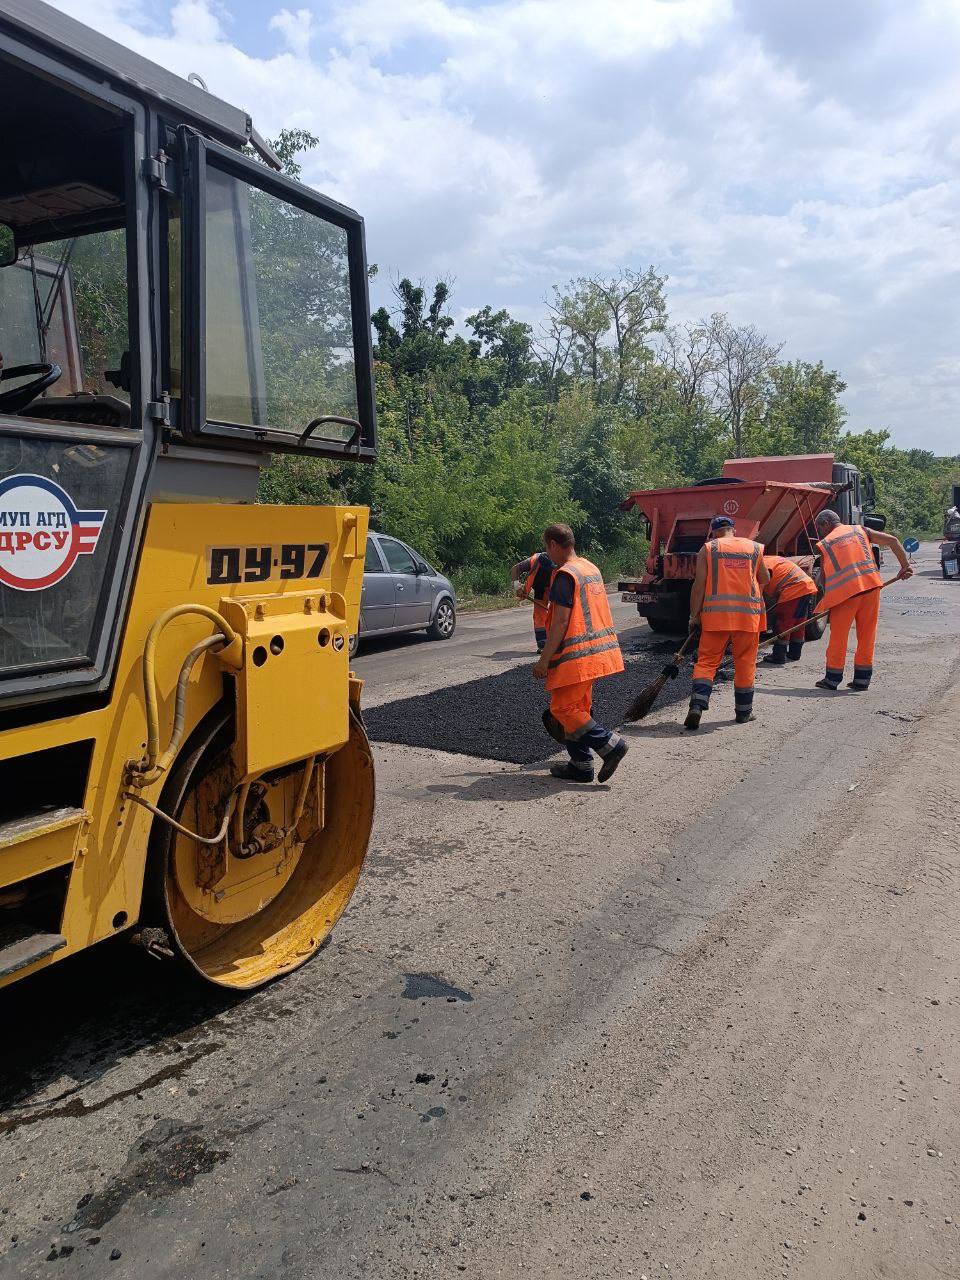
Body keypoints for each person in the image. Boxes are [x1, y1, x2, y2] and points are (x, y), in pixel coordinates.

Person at [532, 523, 628, 784]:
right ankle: (581, 765)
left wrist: (543, 660)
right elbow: (572, 611)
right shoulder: (590, 568)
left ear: (553, 544)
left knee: (563, 708)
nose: (547, 554)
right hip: (595, 654)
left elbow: (561, 622)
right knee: (578, 708)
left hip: (575, 657)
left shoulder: (565, 575)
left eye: (546, 548)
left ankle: (610, 745)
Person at [685, 515, 770, 731]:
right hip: (747, 618)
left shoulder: (709, 549)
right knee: (745, 663)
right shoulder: (754, 548)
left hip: (715, 617)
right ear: (733, 528)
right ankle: (743, 713)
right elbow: (765, 578)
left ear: (714, 532)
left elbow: (699, 585)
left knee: (706, 662)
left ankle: (697, 705)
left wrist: (694, 616)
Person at [813, 510, 912, 691]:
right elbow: (893, 541)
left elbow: (825, 578)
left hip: (846, 595)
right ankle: (862, 680)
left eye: (819, 528)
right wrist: (905, 566)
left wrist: (828, 601)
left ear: (825, 524)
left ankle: (832, 679)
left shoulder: (826, 543)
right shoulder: (861, 530)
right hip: (871, 588)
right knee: (867, 635)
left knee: (838, 637)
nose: (820, 532)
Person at [761, 555, 818, 665]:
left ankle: (778, 656)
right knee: (798, 621)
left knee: (783, 622)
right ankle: (794, 653)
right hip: (805, 586)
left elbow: (761, 585)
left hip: (793, 589)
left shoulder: (761, 565)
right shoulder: (768, 559)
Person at [511, 549, 554, 651]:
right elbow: (514, 570)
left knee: (559, 613)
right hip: (540, 588)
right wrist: (518, 588)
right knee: (539, 615)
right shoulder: (533, 560)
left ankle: (559, 642)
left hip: (555, 587)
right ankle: (542, 643)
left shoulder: (560, 561)